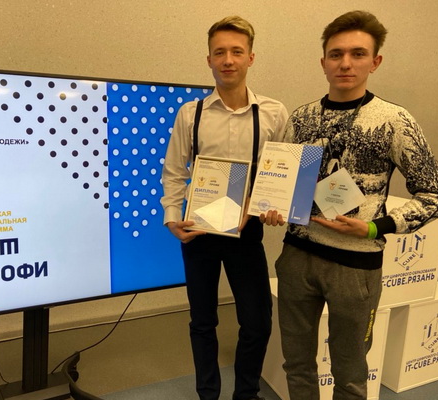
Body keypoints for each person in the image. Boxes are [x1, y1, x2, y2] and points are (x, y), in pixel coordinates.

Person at [267, 10, 438, 400]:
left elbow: (437, 196)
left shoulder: (394, 121)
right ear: (323, 62)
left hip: (355, 267)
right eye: (336, 54)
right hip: (297, 257)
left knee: (350, 373)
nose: (346, 63)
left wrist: (374, 227)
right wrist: (273, 206)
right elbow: (282, 184)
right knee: (296, 364)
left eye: (357, 54)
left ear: (375, 61)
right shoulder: (301, 118)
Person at [161, 15, 288, 400]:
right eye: (220, 52)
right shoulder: (191, 113)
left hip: (247, 231)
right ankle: (208, 395)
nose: (228, 60)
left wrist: (270, 206)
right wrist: (172, 219)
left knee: (258, 322)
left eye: (236, 51)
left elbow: (282, 176)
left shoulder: (274, 113)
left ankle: (245, 394)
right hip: (199, 230)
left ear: (251, 57)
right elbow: (174, 172)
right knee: (202, 322)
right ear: (209, 60)